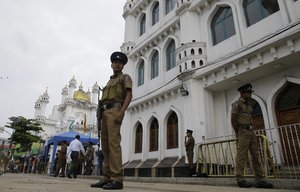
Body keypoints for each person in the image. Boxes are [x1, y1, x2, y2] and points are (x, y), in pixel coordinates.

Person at [91, 51, 132, 190]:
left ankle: (117, 179)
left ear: (123, 65)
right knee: (106, 147)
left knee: (114, 145)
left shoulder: (124, 77)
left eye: (120, 63)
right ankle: (106, 177)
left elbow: (129, 95)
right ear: (112, 64)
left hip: (115, 111)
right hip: (104, 113)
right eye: (115, 62)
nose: (117, 64)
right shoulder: (109, 81)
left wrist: (121, 112)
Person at [231, 83, 273, 188]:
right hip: (242, 132)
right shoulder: (237, 104)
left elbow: (250, 118)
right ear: (242, 93)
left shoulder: (249, 105)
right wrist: (238, 132)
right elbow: (233, 119)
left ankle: (259, 180)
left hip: (251, 132)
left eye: (250, 92)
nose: (250, 94)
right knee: (241, 156)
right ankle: (240, 179)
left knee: (256, 155)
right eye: (248, 92)